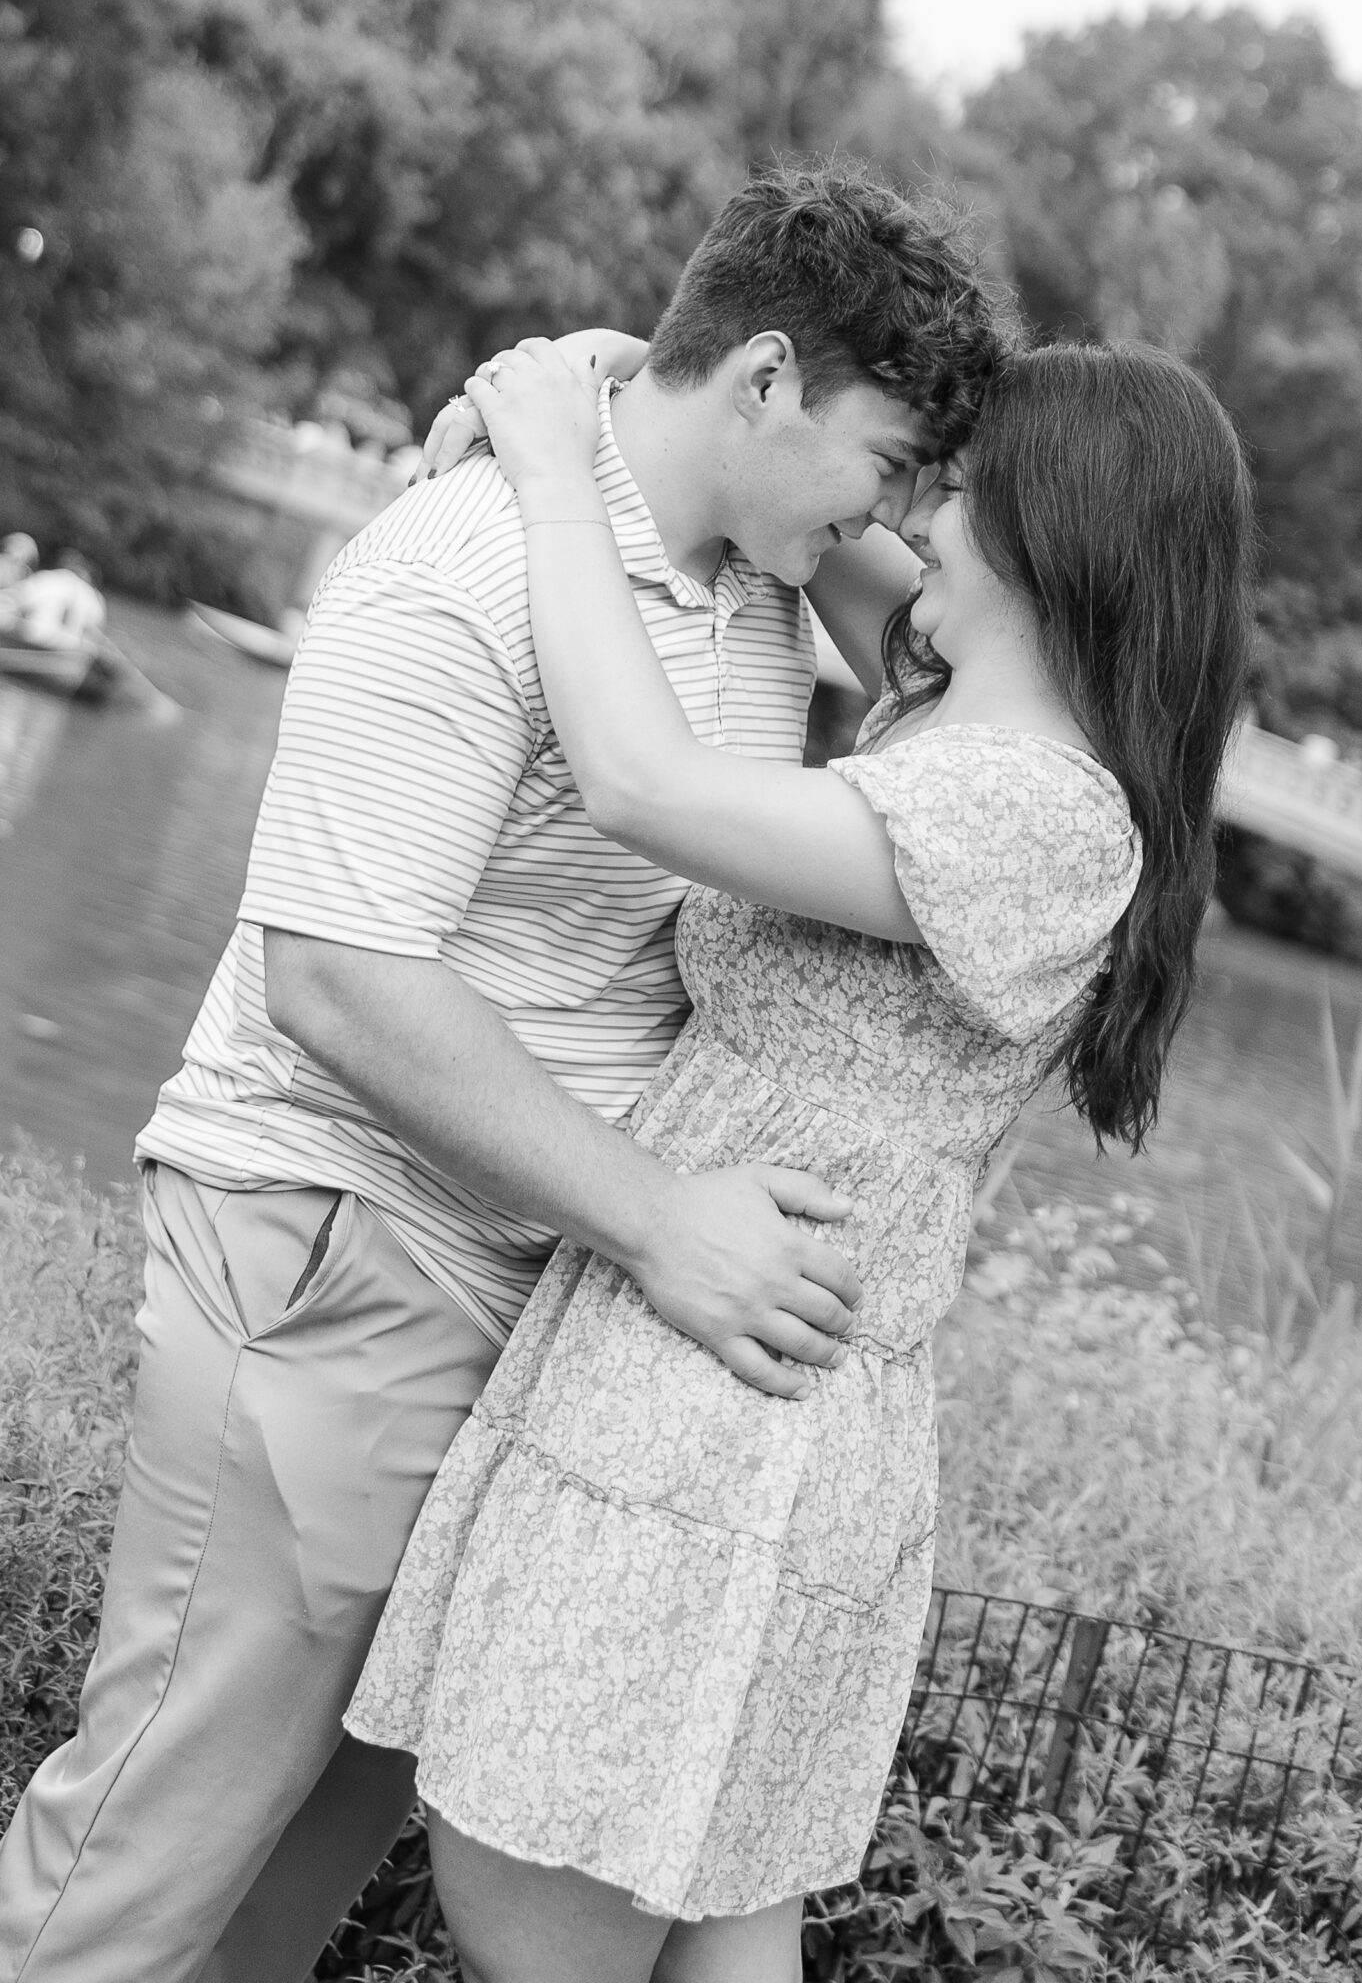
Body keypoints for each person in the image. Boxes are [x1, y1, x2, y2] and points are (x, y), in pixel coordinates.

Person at [0, 164, 1006, 1983]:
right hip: (344, 1254)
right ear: (767, 383)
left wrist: (603, 376)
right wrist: (659, 1226)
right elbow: (337, 973)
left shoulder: (760, 577)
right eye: (893, 462)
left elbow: (980, 664)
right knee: (153, 1856)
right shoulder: (463, 555)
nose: (908, 519)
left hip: (533, 1297)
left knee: (284, 1888)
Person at [342, 326, 1256, 1983]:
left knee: (535, 1915)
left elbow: (636, 783)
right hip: (735, 1397)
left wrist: (556, 468)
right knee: (691, 1938)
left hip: (718, 1436)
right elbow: (801, 516)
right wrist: (642, 374)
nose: (918, 512)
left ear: (1051, 537)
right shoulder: (944, 719)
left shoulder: (1036, 812)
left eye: (959, 490)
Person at [7, 549, 103, 651]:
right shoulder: (93, 596)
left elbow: (16, 601)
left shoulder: (46, 577)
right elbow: (92, 632)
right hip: (66, 649)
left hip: (29, 637)